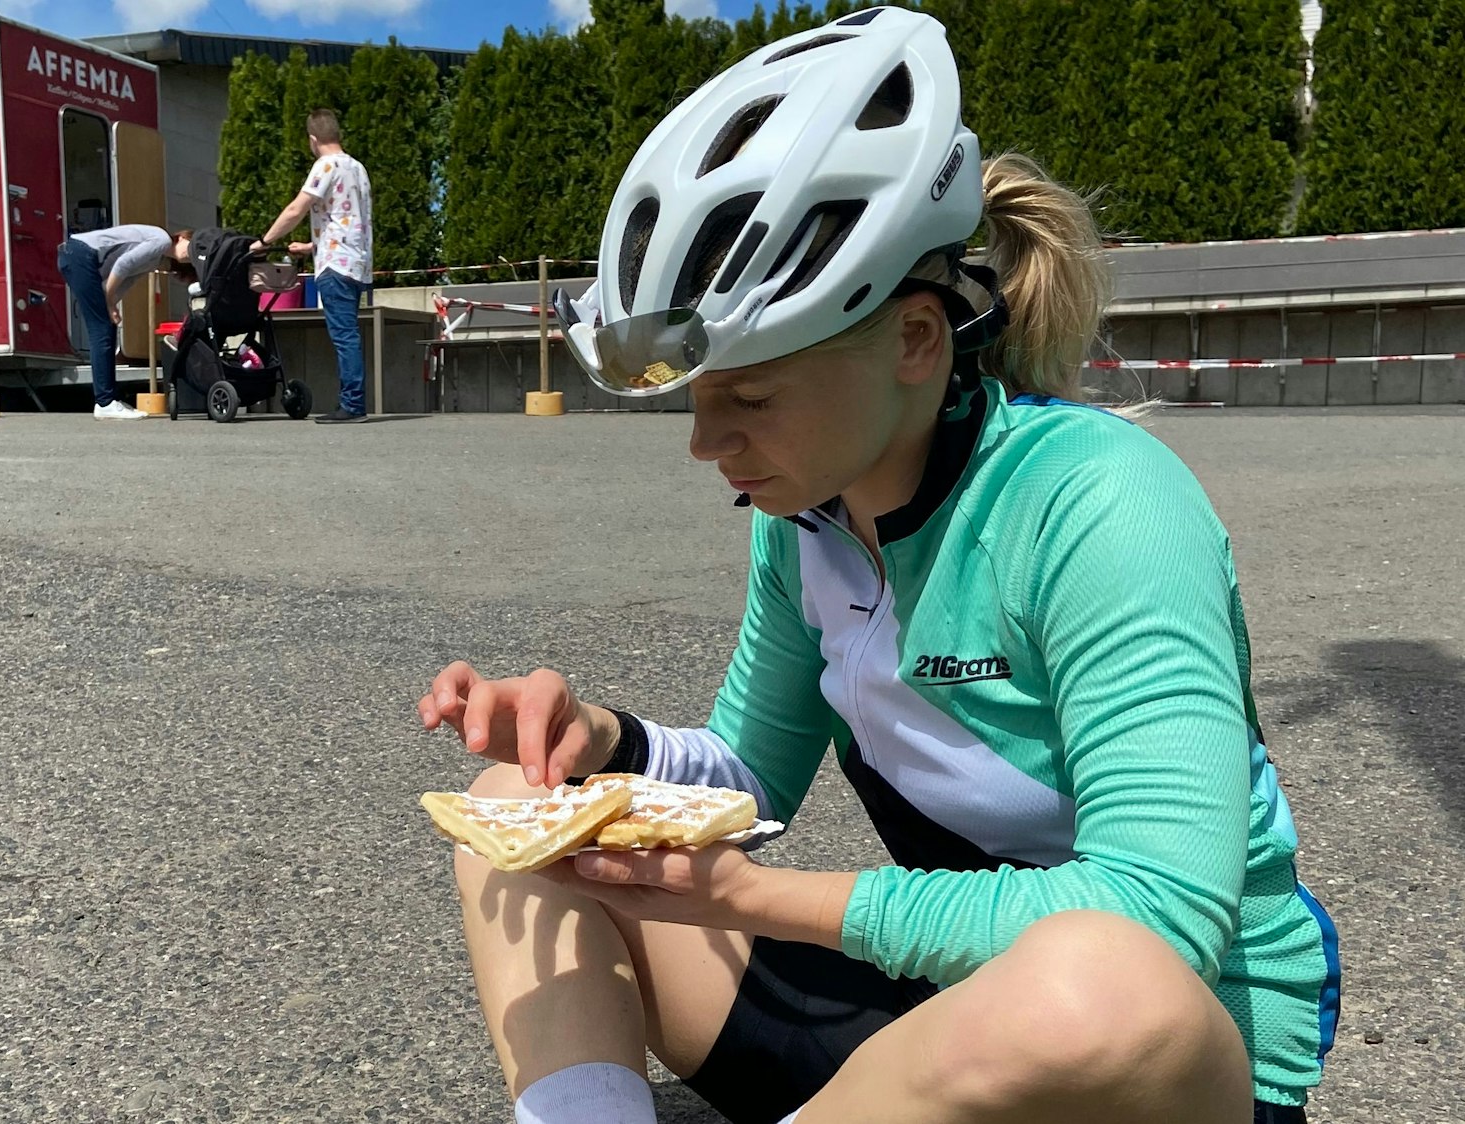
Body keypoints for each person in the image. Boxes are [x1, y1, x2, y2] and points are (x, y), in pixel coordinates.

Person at [415, 11, 1338, 1124]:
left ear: (914, 340)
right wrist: (598, 739)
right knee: (522, 807)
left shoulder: (1100, 502)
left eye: (749, 397)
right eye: (699, 401)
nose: (707, 446)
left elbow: (1158, 915)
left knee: (1105, 975)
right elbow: (748, 778)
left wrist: (770, 899)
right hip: (934, 1020)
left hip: (1149, 1060)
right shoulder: (803, 513)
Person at [252, 108, 373, 424]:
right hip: (356, 262)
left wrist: (264, 242)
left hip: (335, 265)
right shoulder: (357, 168)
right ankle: (353, 402)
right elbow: (347, 219)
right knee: (349, 333)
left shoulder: (326, 165)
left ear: (313, 139)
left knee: (344, 335)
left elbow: (296, 209)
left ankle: (353, 405)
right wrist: (309, 246)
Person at [57, 223, 195, 419]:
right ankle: (105, 403)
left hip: (79, 257)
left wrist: (112, 304)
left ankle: (108, 399)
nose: (190, 254)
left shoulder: (157, 258)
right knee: (101, 330)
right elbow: (124, 264)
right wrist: (109, 299)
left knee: (107, 327)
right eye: (191, 245)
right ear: (181, 237)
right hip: (81, 255)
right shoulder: (162, 240)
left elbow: (128, 278)